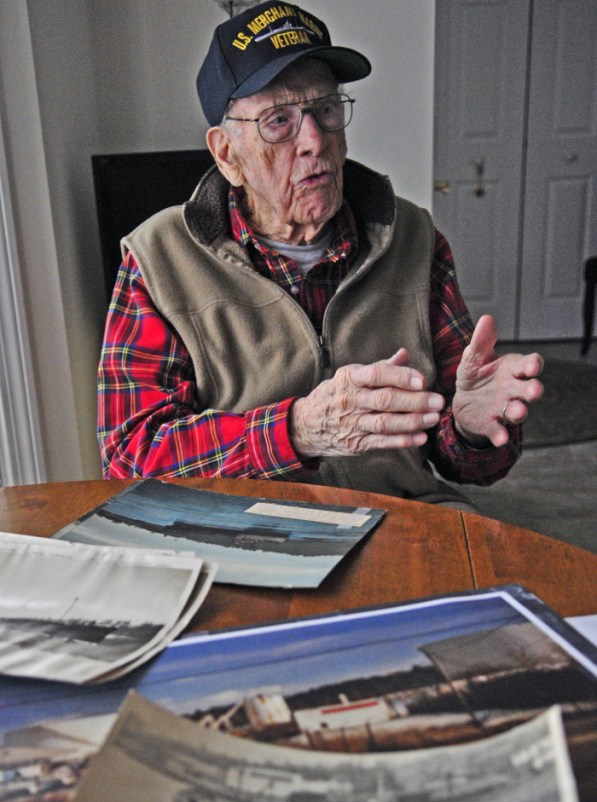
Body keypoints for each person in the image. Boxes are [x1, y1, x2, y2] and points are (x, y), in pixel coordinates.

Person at [97, 2, 543, 508]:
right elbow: (129, 458)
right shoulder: (159, 260)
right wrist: (296, 431)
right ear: (227, 153)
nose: (314, 140)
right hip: (243, 527)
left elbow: (464, 460)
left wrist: (471, 427)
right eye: (278, 121)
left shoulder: (414, 239)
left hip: (399, 513)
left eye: (326, 110)